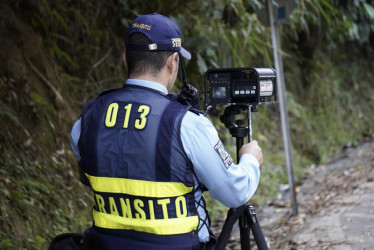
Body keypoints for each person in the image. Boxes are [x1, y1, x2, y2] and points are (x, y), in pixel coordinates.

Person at [70, 13, 263, 250]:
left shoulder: (88, 119)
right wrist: (250, 159)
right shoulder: (185, 123)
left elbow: (92, 175)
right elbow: (235, 193)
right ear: (172, 61)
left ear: (125, 58)